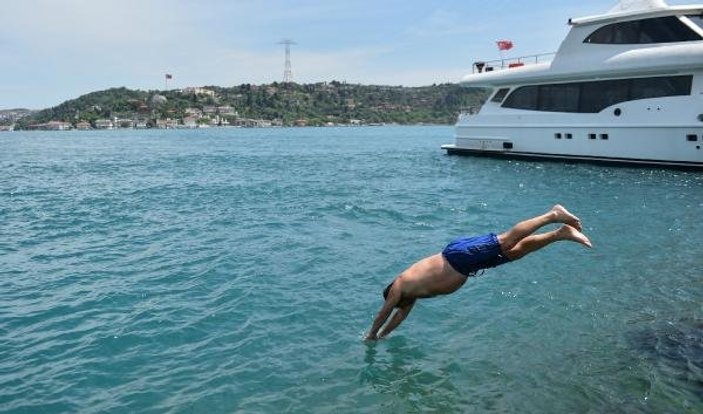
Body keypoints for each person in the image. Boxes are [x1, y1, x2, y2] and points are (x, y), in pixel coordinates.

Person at [365, 205, 592, 340]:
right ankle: (560, 233)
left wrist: (371, 334)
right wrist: (383, 337)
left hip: (458, 256)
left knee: (506, 241)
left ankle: (552, 214)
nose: (398, 305)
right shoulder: (410, 297)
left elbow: (383, 313)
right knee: (514, 253)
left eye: (395, 302)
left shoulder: (400, 284)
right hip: (468, 266)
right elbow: (398, 316)